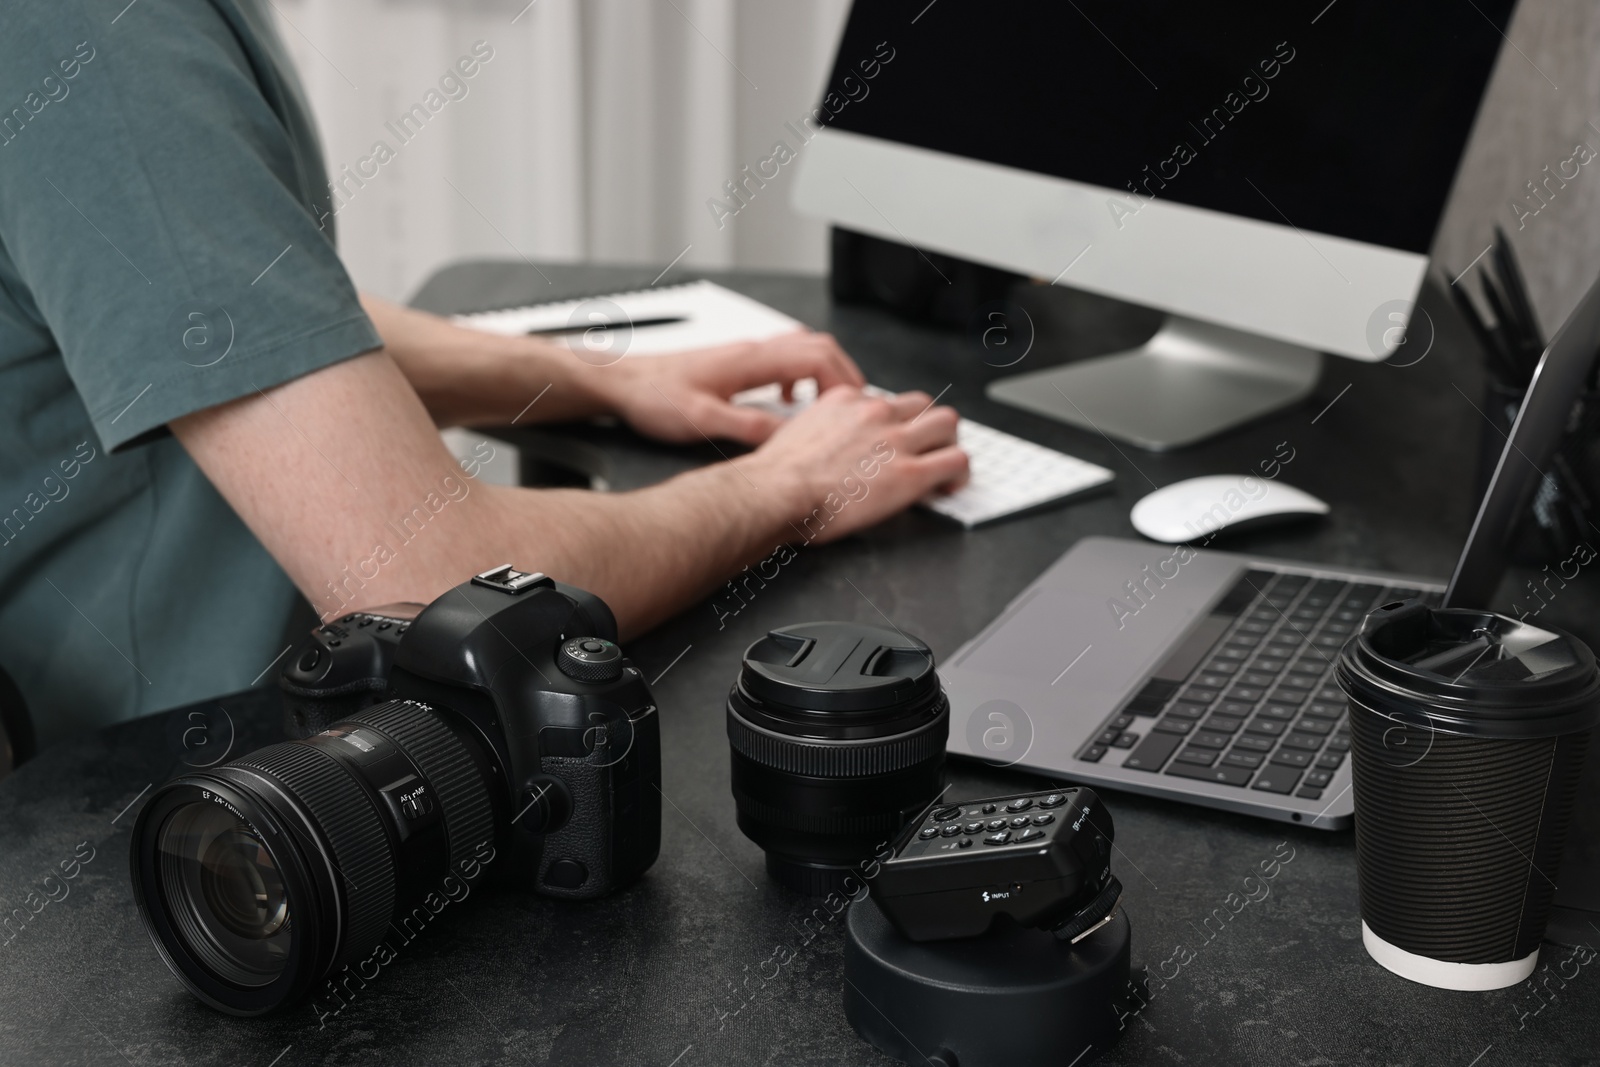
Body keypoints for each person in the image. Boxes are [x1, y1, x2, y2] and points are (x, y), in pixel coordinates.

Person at [0, 1, 966, 751]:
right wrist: (784, 486)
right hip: (144, 809)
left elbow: (230, 310)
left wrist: (597, 378)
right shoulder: (96, 37)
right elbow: (435, 594)